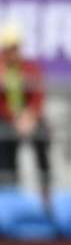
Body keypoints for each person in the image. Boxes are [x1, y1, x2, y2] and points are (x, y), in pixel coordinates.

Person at [0, 22, 52, 200]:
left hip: (29, 120)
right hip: (7, 120)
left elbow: (38, 97)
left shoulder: (30, 69)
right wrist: (14, 118)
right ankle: (9, 193)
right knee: (5, 142)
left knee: (43, 137)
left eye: (16, 48)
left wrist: (29, 116)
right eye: (9, 49)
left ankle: (45, 191)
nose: (13, 53)